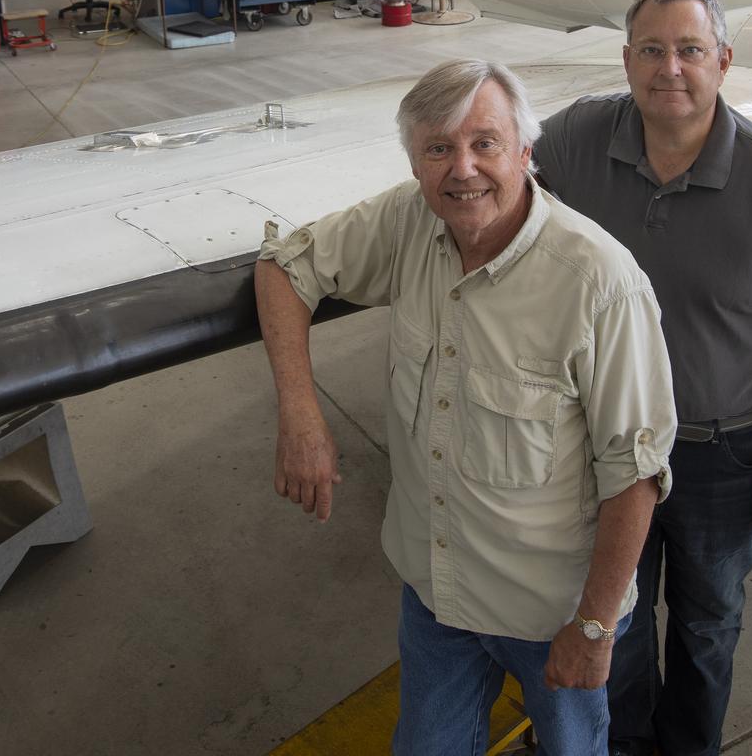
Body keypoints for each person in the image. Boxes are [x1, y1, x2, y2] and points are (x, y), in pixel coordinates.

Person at [256, 58, 677, 756]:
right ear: (416, 163)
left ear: (524, 151)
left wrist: (595, 629)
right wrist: (300, 413)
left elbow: (634, 471)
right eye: (438, 148)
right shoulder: (407, 220)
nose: (463, 169)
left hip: (550, 614)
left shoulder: (600, 284)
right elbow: (283, 264)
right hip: (437, 595)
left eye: (485, 142)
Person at [533, 0, 752, 756]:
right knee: (612, 614)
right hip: (609, 445)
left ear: (723, 63)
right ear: (626, 60)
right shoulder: (579, 138)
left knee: (708, 624)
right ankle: (625, 741)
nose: (668, 69)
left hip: (726, 453)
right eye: (651, 50)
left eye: (689, 50)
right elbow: (492, 163)